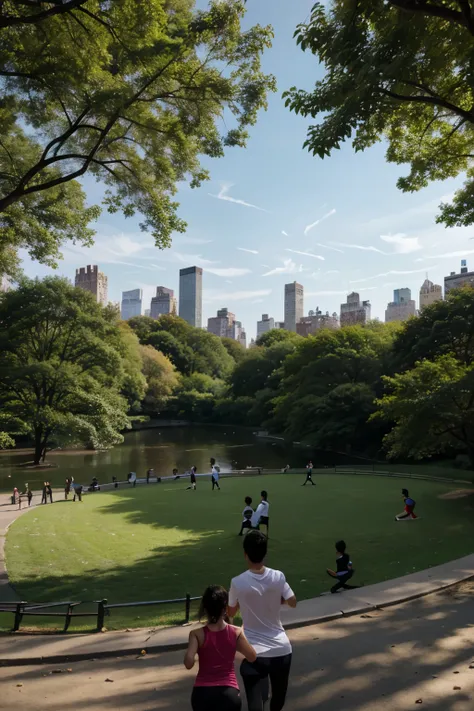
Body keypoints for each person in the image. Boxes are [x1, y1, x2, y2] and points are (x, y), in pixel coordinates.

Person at [228, 531, 296, 711]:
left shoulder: (237, 582)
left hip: (254, 652)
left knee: (255, 700)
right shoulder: (278, 576)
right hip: (282, 649)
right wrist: (275, 600)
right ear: (265, 553)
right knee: (278, 699)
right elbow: (292, 601)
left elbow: (231, 611)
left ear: (245, 554)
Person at [184, 584, 256, 711]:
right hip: (229, 693)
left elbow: (188, 663)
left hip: (202, 694)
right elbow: (252, 656)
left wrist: (192, 657)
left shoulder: (196, 634)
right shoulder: (236, 632)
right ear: (225, 608)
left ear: (205, 609)